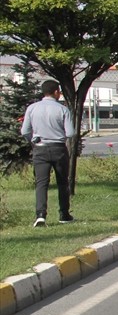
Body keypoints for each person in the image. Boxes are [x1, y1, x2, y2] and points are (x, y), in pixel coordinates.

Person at [21, 79, 75, 227]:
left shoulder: (32, 108)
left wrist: (33, 141)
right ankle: (64, 214)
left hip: (40, 148)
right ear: (56, 92)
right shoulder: (63, 109)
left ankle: (40, 215)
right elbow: (70, 132)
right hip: (58, 148)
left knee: (41, 183)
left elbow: (24, 131)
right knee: (63, 182)